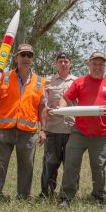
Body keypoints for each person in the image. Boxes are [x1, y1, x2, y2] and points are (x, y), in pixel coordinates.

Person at [57, 51, 106, 208]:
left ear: (104, 66)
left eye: (100, 64)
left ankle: (99, 195)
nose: (97, 67)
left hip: (102, 134)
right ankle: (66, 197)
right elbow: (66, 97)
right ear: (89, 65)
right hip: (79, 131)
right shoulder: (80, 82)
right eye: (94, 63)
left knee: (99, 166)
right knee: (71, 163)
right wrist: (61, 109)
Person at [0, 44, 46, 202]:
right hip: (5, 130)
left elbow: (42, 108)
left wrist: (43, 130)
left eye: (29, 55)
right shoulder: (4, 77)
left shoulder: (40, 82)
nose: (26, 58)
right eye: (23, 55)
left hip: (28, 131)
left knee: (27, 166)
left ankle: (23, 197)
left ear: (32, 59)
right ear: (16, 58)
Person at [39, 52, 77, 198]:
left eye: (66, 61)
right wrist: (43, 130)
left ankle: (69, 193)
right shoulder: (48, 82)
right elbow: (43, 107)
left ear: (71, 64)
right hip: (53, 130)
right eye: (60, 61)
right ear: (56, 63)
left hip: (71, 129)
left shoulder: (77, 81)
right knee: (50, 163)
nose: (63, 64)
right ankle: (46, 192)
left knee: (71, 164)